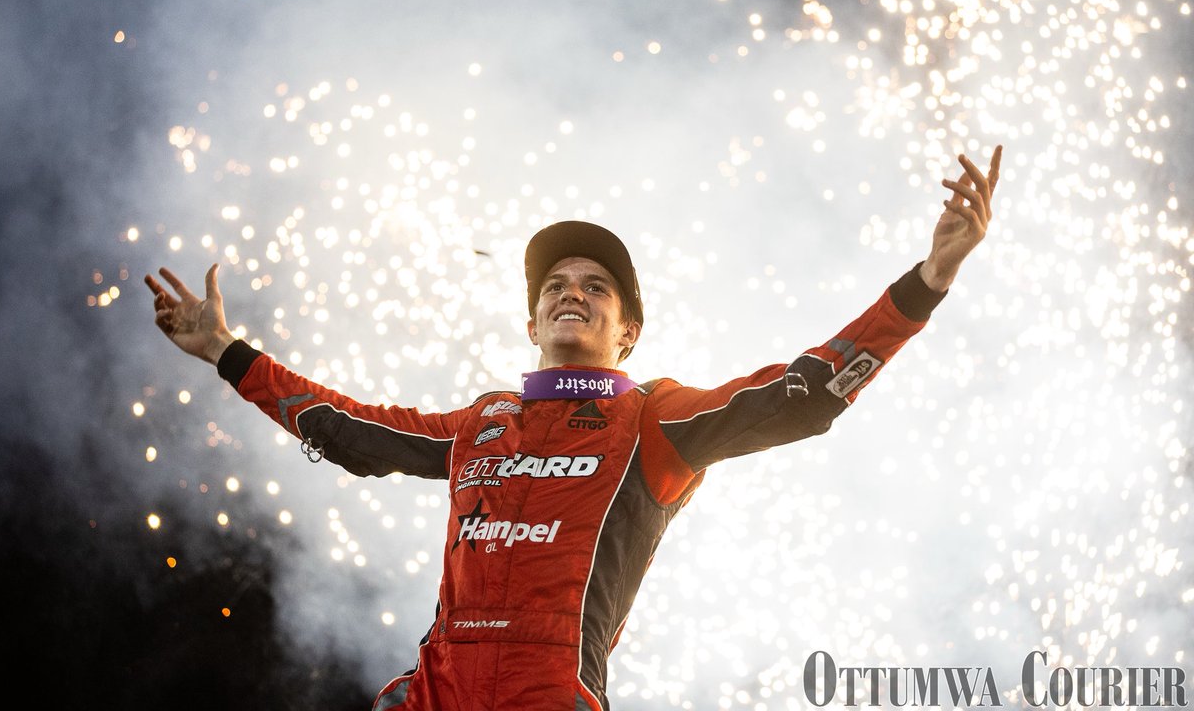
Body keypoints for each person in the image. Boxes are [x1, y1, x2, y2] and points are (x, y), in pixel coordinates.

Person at [146, 148, 1002, 710]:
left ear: (627, 332)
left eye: (597, 286)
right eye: (555, 282)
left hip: (548, 694)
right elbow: (352, 431)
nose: (570, 291)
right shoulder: (481, 423)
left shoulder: (653, 420)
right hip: (433, 692)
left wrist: (928, 278)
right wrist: (226, 351)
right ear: (530, 324)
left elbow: (803, 392)